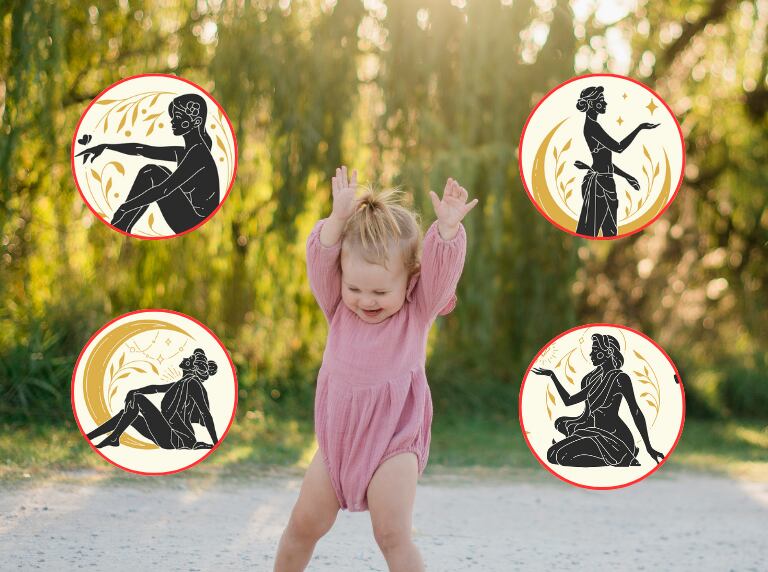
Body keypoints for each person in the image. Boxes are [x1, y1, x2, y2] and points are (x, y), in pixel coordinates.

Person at [274, 166, 478, 571]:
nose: (366, 300)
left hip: (393, 441)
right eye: (355, 288)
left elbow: (441, 275)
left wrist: (448, 230)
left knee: (392, 535)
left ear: (410, 281)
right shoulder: (337, 306)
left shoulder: (417, 311)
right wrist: (337, 219)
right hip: (337, 442)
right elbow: (320, 258)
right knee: (301, 525)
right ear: (342, 279)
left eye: (380, 291)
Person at [76, 94, 219, 234]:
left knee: (151, 172)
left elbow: (164, 189)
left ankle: (120, 225)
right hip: (190, 217)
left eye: (178, 117)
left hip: (196, 221)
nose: (172, 121)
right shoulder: (185, 152)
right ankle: (121, 225)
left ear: (196, 122)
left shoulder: (198, 153)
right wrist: (106, 146)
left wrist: (125, 207)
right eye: (173, 116)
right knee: (154, 172)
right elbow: (141, 150)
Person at [532, 333, 665, 467]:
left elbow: (635, 411)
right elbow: (569, 400)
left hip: (615, 437)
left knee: (562, 457)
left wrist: (649, 448)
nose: (591, 354)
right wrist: (552, 376)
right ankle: (615, 457)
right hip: (595, 432)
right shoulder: (595, 379)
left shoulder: (620, 378)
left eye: (595, 350)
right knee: (551, 454)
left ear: (608, 352)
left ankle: (625, 457)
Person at [87, 348, 219, 450]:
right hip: (166, 433)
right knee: (125, 414)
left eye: (188, 358)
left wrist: (215, 443)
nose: (185, 358)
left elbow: (205, 414)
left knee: (138, 399)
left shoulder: (193, 384)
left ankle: (114, 437)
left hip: (178, 438)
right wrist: (134, 391)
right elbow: (156, 388)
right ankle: (89, 438)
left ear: (192, 366)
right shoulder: (179, 384)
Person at [573, 85, 659, 237]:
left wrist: (627, 177)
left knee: (611, 232)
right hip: (598, 186)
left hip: (607, 182)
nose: (605, 103)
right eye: (601, 100)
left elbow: (605, 162)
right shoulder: (592, 127)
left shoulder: (595, 125)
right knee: (592, 230)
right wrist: (639, 128)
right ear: (591, 103)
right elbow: (618, 148)